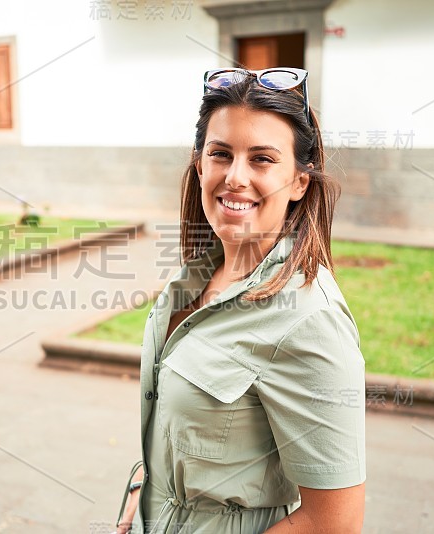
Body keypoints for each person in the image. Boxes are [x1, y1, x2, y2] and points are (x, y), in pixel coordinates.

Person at [114, 67, 366, 533]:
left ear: (299, 181)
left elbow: (335, 524)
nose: (235, 177)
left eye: (262, 159)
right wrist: (149, 488)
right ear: (199, 163)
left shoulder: (309, 318)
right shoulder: (196, 277)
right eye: (221, 154)